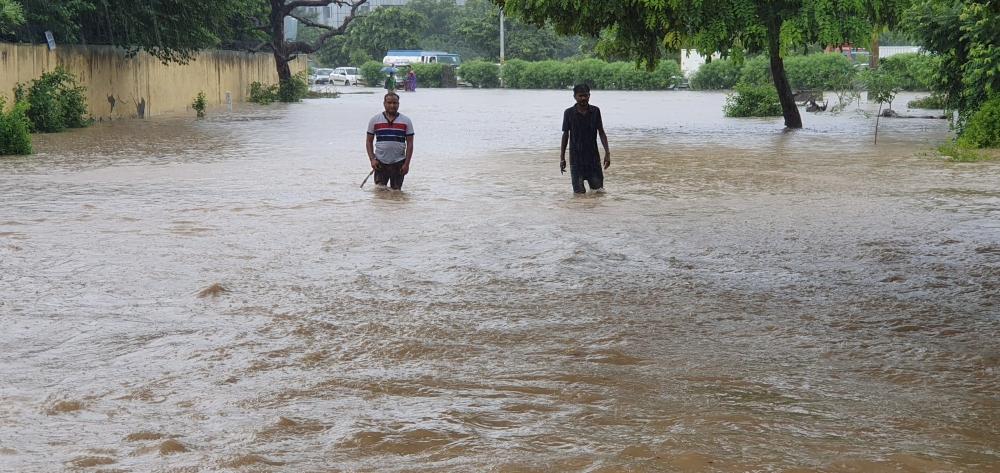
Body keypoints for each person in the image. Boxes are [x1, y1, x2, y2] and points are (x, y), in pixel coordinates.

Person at [560, 83, 610, 194]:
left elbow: (601, 132)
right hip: (576, 160)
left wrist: (607, 153)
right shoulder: (568, 113)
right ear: (575, 97)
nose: (583, 98)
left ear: (589, 96)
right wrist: (562, 157)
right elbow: (565, 135)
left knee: (599, 192)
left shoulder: (595, 111)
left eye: (586, 95)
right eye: (580, 96)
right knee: (578, 195)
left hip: (593, 159)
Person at [366, 91, 415, 190]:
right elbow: (369, 142)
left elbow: (410, 144)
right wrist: (372, 159)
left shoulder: (406, 121)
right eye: (389, 103)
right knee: (379, 192)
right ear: (384, 104)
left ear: (398, 104)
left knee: (396, 193)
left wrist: (407, 164)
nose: (392, 105)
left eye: (395, 103)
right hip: (380, 163)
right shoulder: (374, 120)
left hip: (399, 163)